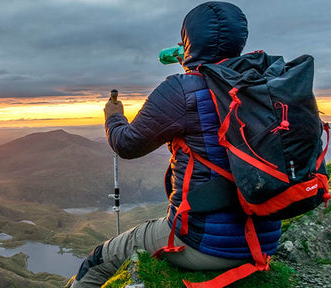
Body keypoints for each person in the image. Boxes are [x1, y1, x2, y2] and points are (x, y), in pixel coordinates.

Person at [71, 2, 281, 287]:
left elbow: (127, 145)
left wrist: (114, 118)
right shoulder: (265, 85)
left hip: (203, 244)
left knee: (97, 260)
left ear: (189, 40)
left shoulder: (181, 89)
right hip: (265, 238)